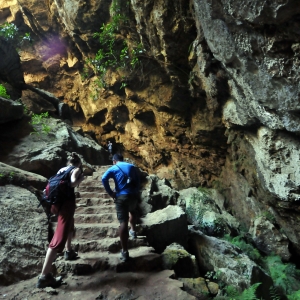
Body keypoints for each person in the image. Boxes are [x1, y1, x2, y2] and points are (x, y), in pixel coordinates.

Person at [37, 152, 85, 288]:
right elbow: (73, 183)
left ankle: (69, 251)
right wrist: (81, 179)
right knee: (58, 238)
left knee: (70, 224)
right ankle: (44, 276)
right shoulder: (76, 169)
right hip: (66, 204)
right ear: (79, 163)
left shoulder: (61, 170)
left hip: (56, 204)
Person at [102, 154, 140, 262]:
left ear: (114, 161)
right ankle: (133, 231)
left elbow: (103, 178)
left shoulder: (113, 168)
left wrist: (111, 193)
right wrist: (135, 191)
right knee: (133, 212)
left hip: (121, 197)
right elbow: (138, 180)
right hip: (132, 195)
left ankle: (125, 251)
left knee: (123, 222)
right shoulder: (131, 166)